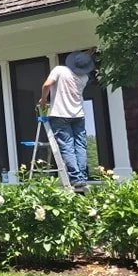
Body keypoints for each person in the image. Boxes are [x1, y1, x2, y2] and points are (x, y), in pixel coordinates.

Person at [38, 49, 96, 185]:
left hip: (60, 114)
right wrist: (88, 54)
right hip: (78, 115)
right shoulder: (84, 78)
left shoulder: (59, 70)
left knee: (67, 147)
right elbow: (80, 63)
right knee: (80, 146)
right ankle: (82, 177)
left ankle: (75, 178)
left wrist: (43, 100)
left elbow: (47, 85)